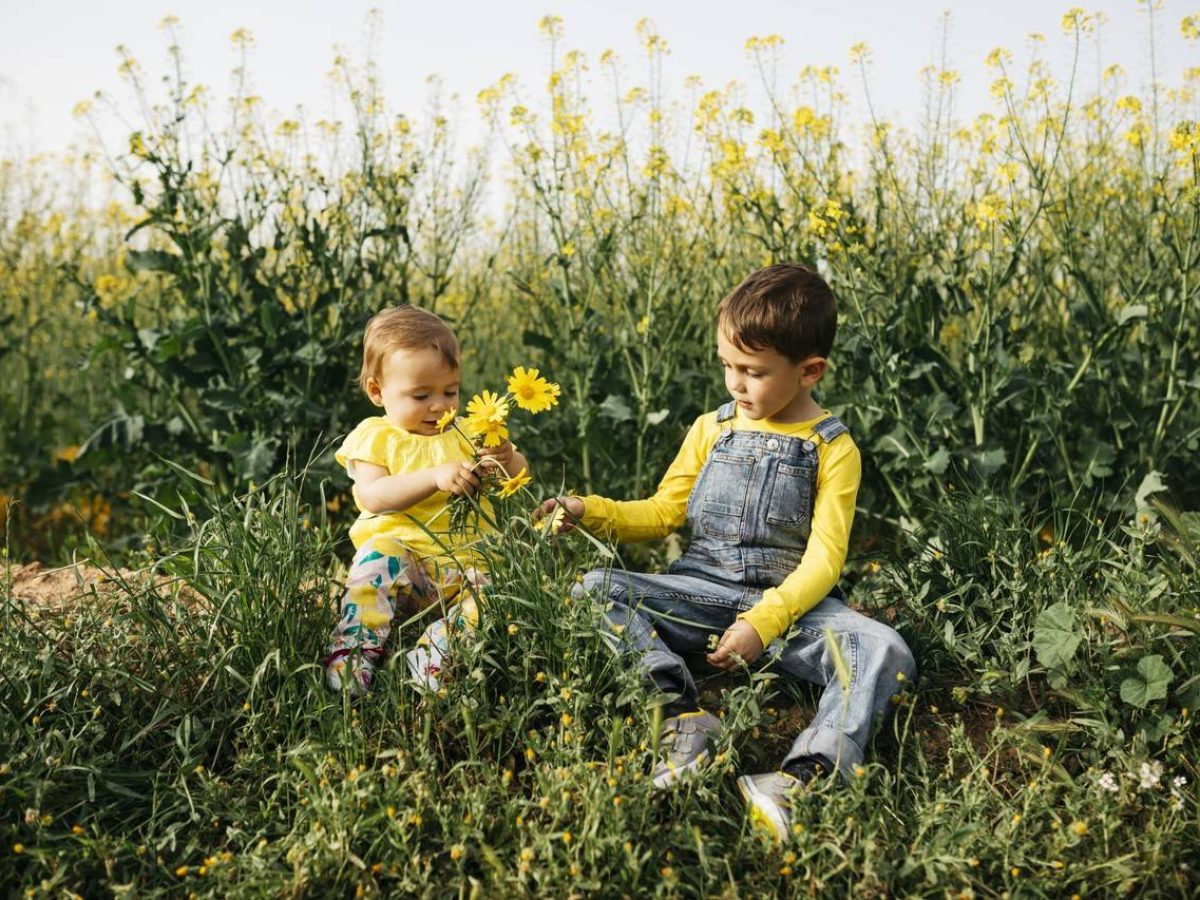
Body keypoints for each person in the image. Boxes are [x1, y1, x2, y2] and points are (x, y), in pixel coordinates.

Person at [539, 264, 915, 842]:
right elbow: (662, 512)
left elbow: (824, 561)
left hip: (792, 611)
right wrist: (589, 509)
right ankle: (680, 717)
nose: (735, 384)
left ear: (809, 371)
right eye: (727, 366)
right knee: (594, 589)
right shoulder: (710, 429)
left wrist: (764, 622)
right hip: (699, 593)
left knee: (885, 648)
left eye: (753, 372)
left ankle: (805, 777)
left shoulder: (833, 448)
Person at [324, 305, 527, 696]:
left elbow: (518, 474)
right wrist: (434, 478)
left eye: (451, 391)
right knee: (375, 560)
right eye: (421, 395)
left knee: (491, 598)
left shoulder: (468, 432)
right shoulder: (376, 436)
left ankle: (436, 655)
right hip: (405, 563)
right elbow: (373, 495)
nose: (440, 405)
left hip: (466, 567)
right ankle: (354, 650)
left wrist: (506, 457)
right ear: (377, 392)